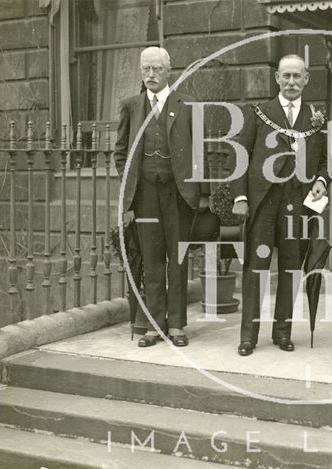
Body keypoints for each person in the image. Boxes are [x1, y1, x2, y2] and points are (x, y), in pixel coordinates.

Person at [231, 54, 329, 356]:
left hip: (297, 204)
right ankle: (248, 336)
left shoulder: (316, 116)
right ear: (277, 79)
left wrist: (322, 182)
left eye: (296, 76)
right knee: (256, 269)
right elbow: (241, 155)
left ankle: (282, 332)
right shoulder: (260, 112)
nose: (290, 82)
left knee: (290, 269)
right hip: (264, 202)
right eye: (285, 76)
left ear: (306, 79)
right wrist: (241, 196)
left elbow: (325, 161)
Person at [114, 46, 209, 348]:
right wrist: (131, 185)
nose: (151, 74)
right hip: (145, 197)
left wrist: (201, 194)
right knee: (153, 261)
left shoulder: (187, 104)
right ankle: (155, 325)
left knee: (177, 260)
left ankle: (178, 326)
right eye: (146, 69)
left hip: (178, 194)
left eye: (156, 69)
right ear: (141, 71)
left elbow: (200, 152)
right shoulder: (131, 105)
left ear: (169, 71)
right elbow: (120, 153)